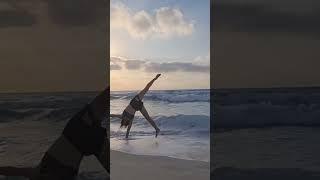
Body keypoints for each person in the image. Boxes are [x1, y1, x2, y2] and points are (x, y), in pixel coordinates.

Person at [0, 88, 110, 180]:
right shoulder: (37, 172)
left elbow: (12, 171)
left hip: (80, 133)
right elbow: (12, 171)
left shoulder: (38, 173)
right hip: (77, 129)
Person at [111, 74, 161, 139]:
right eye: (126, 122)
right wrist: (126, 137)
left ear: (123, 121)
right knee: (147, 118)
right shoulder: (130, 120)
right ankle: (157, 129)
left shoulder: (122, 116)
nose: (126, 121)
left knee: (146, 88)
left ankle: (155, 78)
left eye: (125, 121)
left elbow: (113, 115)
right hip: (138, 106)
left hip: (135, 101)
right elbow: (129, 129)